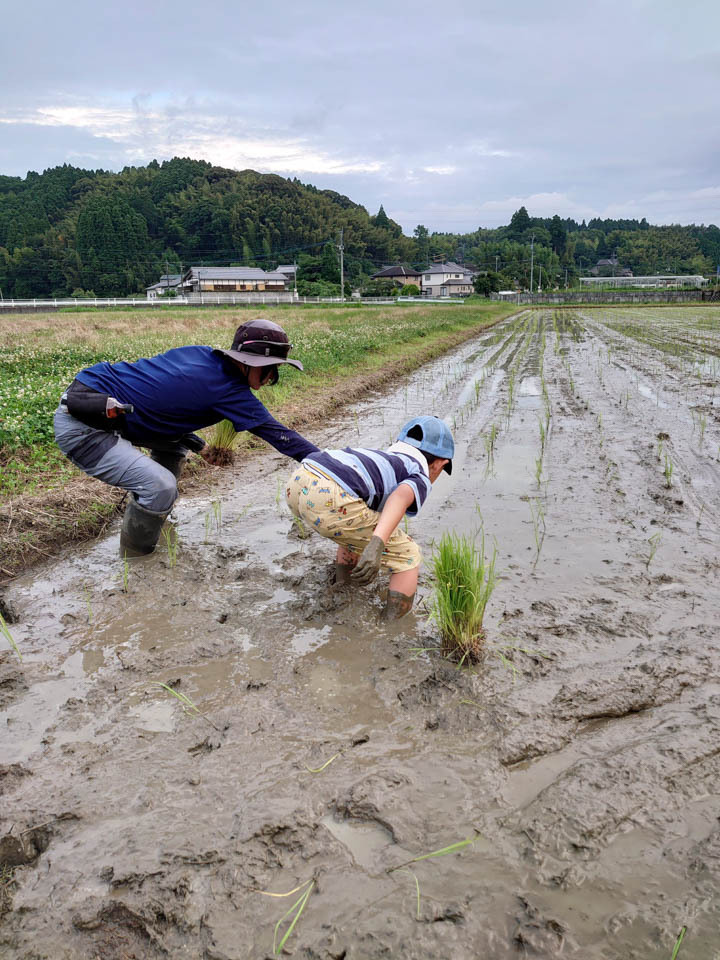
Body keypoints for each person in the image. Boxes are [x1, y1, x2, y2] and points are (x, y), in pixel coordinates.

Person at [54, 319, 319, 555]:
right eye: (269, 368)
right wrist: (329, 464)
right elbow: (282, 437)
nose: (272, 376)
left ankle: (155, 515)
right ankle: (135, 563)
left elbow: (161, 411)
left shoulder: (202, 356)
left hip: (103, 402)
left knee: (173, 452)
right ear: (247, 362)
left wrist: (200, 447)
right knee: (161, 486)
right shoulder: (227, 390)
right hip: (83, 424)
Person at [285, 416, 453, 620]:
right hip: (329, 495)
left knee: (356, 526)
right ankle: (392, 626)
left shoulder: (385, 459)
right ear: (439, 464)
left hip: (299, 481)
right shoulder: (419, 474)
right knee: (408, 555)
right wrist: (377, 544)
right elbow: (400, 497)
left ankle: (344, 591)